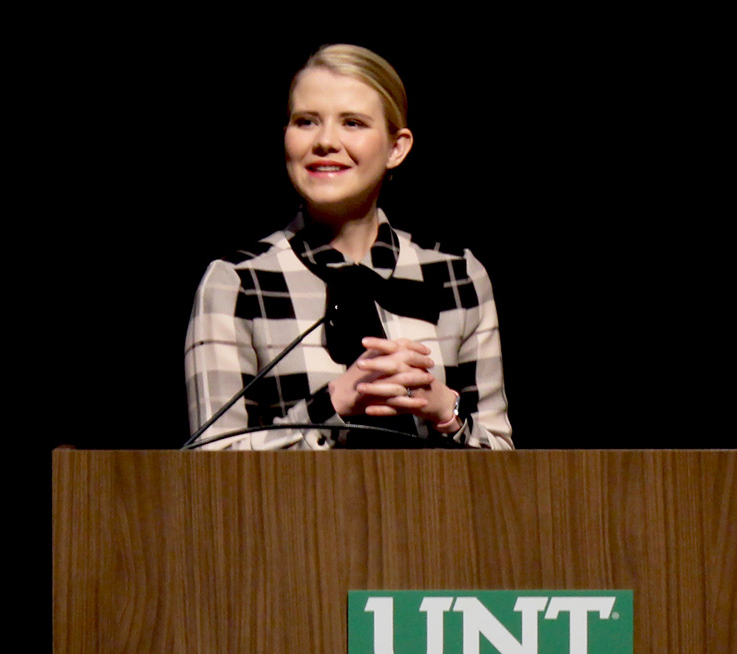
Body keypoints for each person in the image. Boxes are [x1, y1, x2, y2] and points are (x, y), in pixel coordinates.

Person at [184, 44, 512, 450]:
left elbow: (503, 466)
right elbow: (207, 472)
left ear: (397, 148)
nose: (325, 141)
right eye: (306, 122)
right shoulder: (237, 282)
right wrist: (334, 403)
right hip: (291, 515)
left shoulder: (458, 275)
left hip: (436, 513)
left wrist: (445, 409)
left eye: (352, 123)